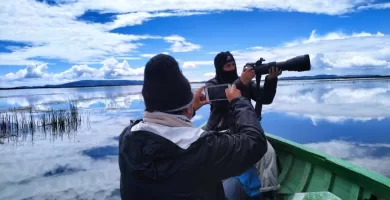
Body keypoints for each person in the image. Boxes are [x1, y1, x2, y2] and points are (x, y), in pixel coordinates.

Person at [118, 54, 269, 200]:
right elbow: (255, 143)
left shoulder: (127, 136)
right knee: (235, 182)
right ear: (186, 107)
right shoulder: (201, 146)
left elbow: (164, 121)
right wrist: (238, 101)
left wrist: (191, 110)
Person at [205, 51, 282, 200]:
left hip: (244, 130)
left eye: (233, 64)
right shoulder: (212, 85)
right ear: (219, 68)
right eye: (228, 65)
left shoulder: (245, 82)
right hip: (221, 133)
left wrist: (271, 79)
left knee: (268, 153)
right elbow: (219, 99)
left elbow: (265, 98)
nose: (232, 67)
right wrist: (241, 82)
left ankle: (268, 193)